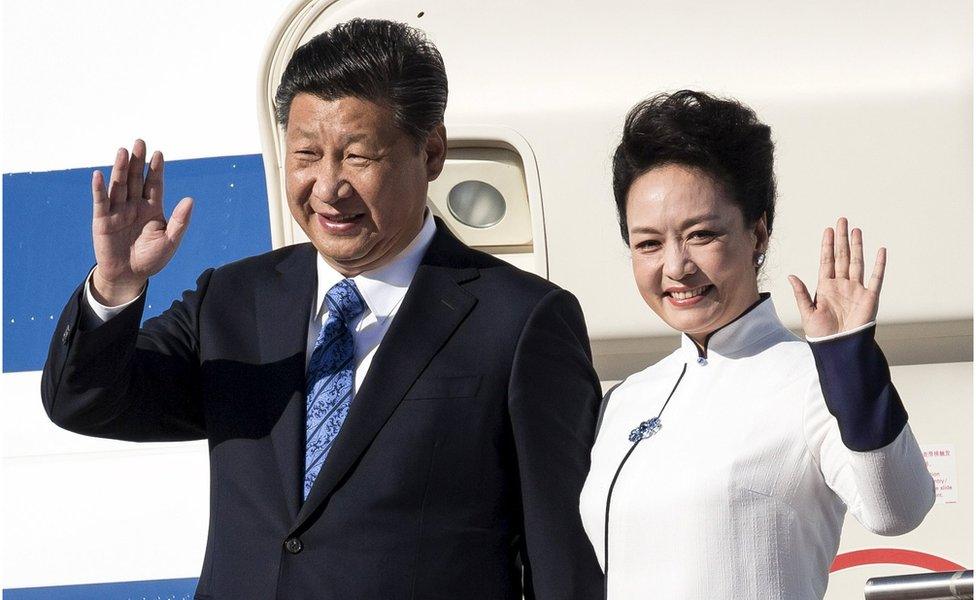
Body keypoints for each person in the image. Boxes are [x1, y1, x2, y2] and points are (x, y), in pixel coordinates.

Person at [41, 19, 603, 600]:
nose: (328, 187)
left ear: (431, 151)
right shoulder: (234, 301)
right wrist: (115, 286)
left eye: (358, 156)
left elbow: (560, 555)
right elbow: (84, 402)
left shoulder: (520, 320)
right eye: (307, 154)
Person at [579, 90, 934, 599]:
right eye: (649, 243)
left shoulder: (813, 378)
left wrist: (848, 358)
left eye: (701, 234)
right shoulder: (624, 399)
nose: (676, 266)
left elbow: (898, 508)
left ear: (758, 233)